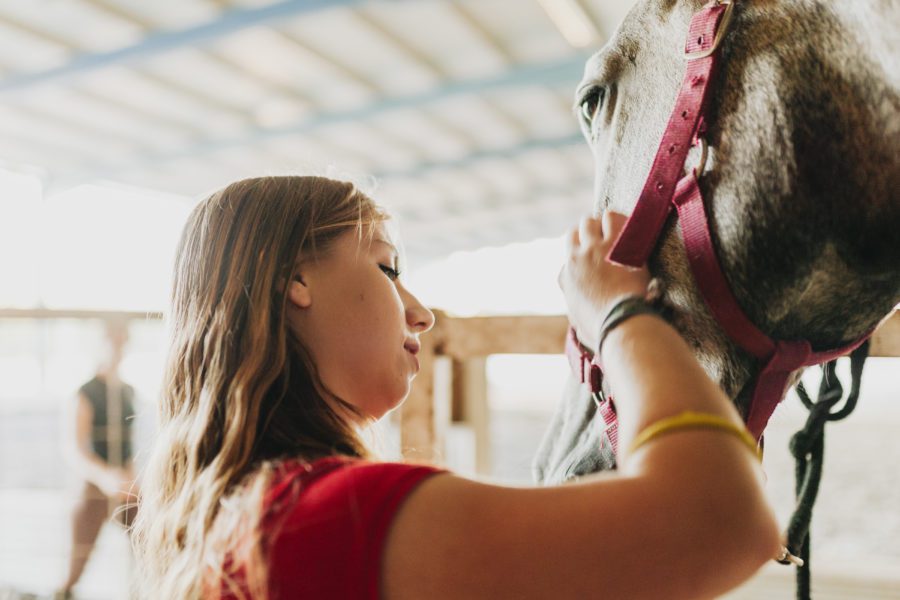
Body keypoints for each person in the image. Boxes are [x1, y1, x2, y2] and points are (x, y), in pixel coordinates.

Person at [132, 176, 780, 599]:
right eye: (387, 268)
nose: (421, 312)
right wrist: (616, 314)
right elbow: (719, 520)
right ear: (294, 282)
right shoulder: (325, 519)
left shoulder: (237, 516)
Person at [58, 319, 139, 599]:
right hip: (93, 484)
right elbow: (75, 449)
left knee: (146, 545)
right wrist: (105, 476)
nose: (118, 348)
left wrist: (130, 478)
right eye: (113, 340)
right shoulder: (86, 391)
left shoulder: (128, 392)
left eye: (122, 341)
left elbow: (129, 446)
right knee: (77, 566)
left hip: (123, 484)